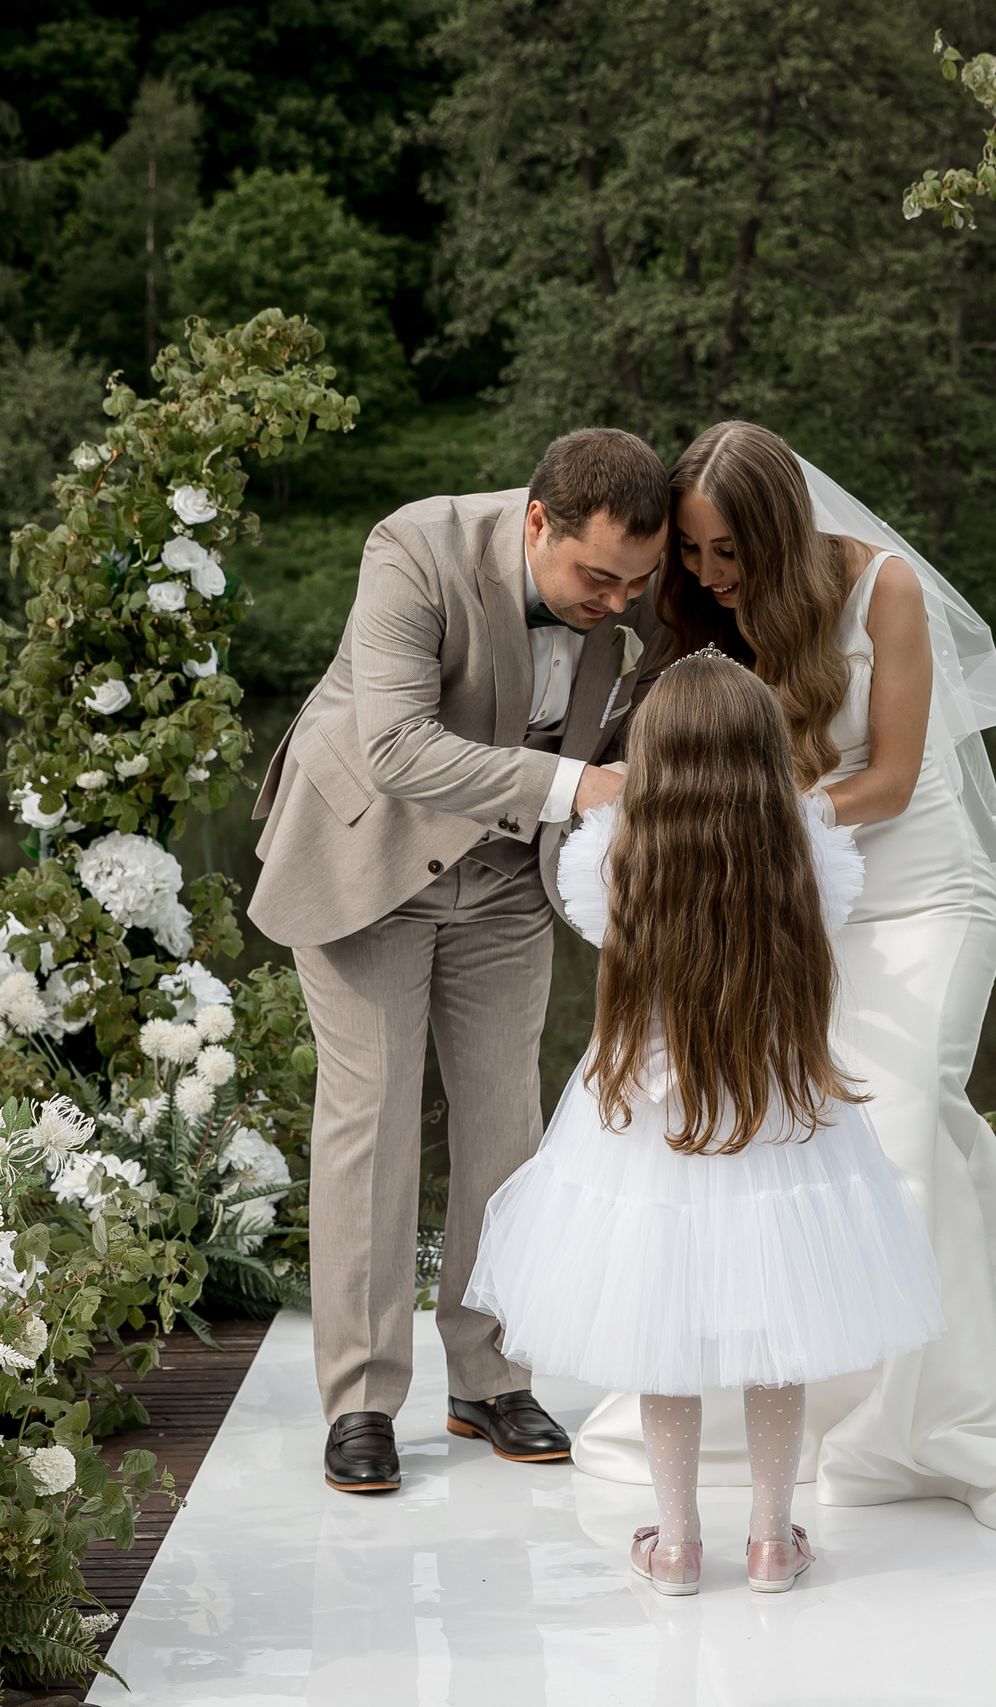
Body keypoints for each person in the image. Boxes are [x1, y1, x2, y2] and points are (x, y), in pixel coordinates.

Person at [572, 421, 996, 1531]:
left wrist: (754, 817)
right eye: (693, 554)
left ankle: (943, 1421)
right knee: (816, 1133)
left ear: (784, 531)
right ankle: (831, 1392)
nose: (709, 575)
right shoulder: (714, 612)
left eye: (728, 551)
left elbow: (887, 780)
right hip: (811, 901)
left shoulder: (883, 589)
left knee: (907, 1109)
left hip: (924, 890)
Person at [246, 428, 679, 1495]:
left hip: (503, 882)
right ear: (538, 522)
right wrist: (578, 789)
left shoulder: (623, 597)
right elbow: (392, 746)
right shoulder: (414, 548)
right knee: (375, 1124)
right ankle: (360, 1399)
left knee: (507, 1128)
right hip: (369, 865)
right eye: (597, 577)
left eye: (637, 581)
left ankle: (489, 1375)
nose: (618, 601)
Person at [465, 654, 943, 1593]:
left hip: (648, 1121)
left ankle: (678, 1542)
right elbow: (819, 948)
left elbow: (607, 961)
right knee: (782, 1328)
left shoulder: (611, 849)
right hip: (776, 1110)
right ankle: (771, 1537)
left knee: (659, 1328)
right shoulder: (806, 841)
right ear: (767, 750)